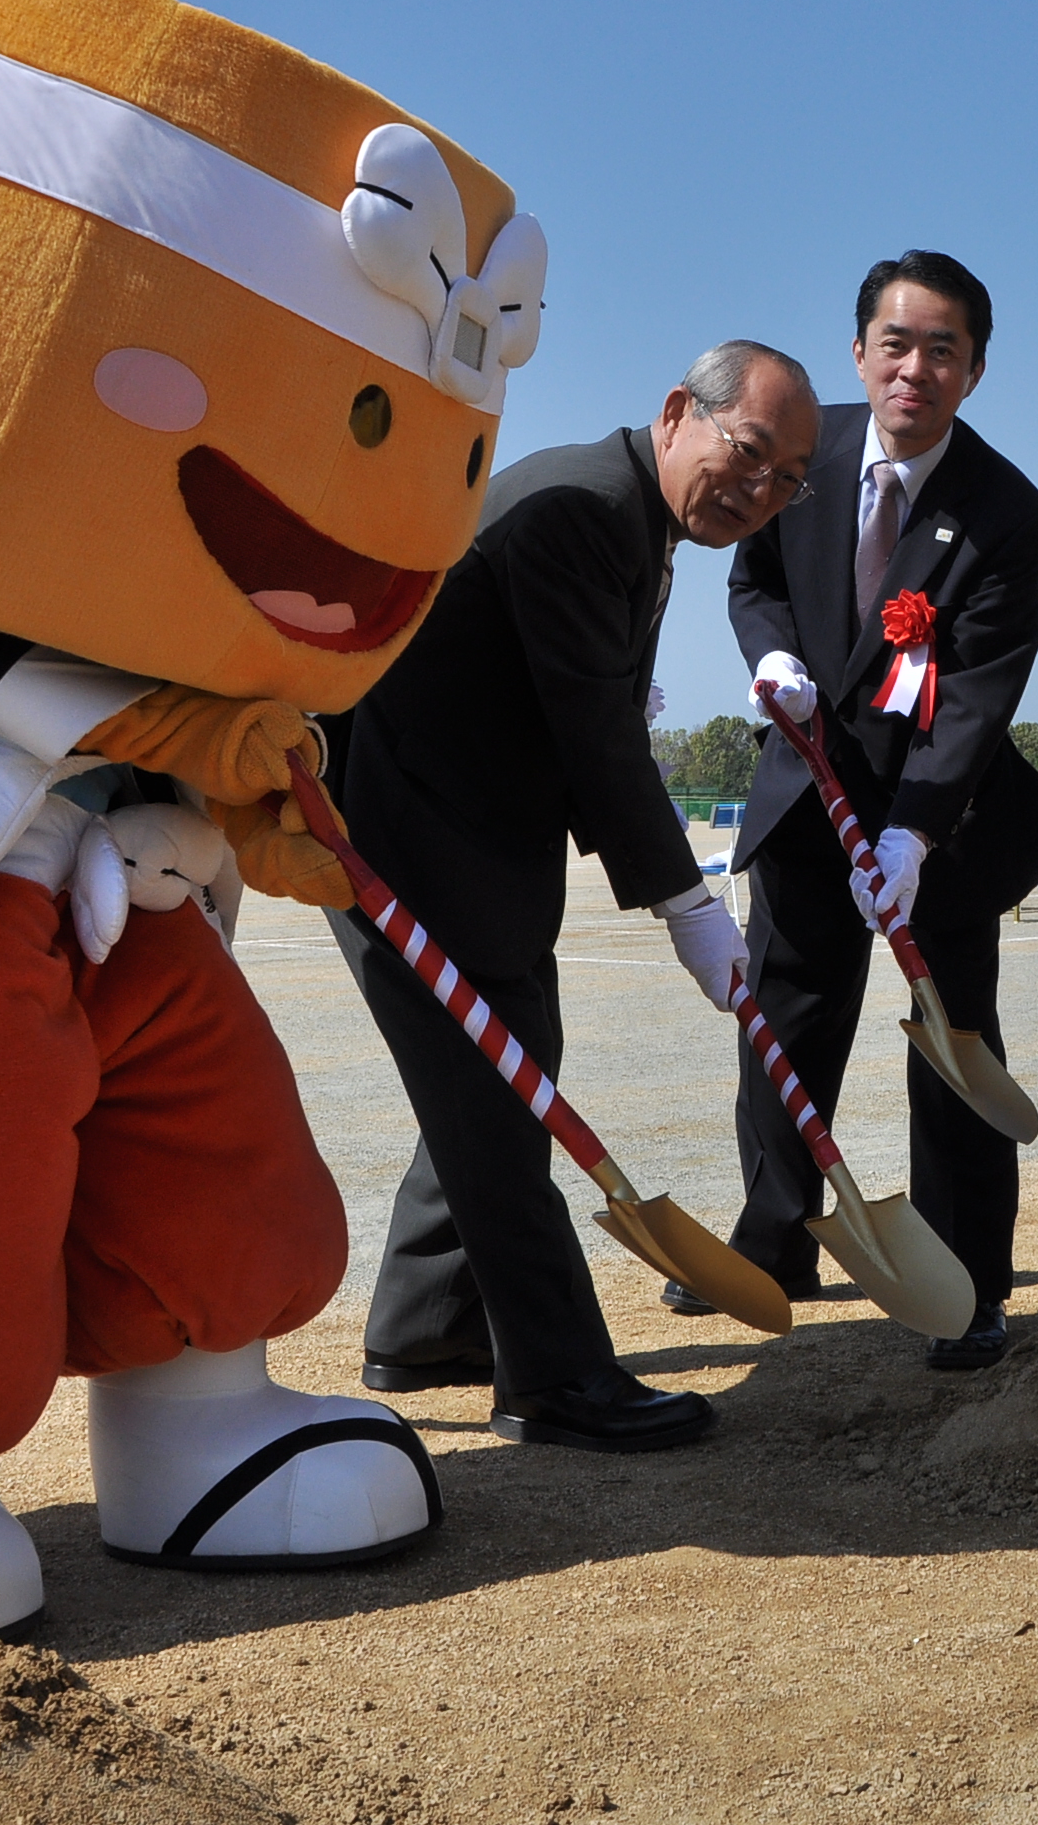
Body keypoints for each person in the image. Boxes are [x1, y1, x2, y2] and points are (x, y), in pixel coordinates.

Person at [334, 344, 822, 1450]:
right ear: (676, 414)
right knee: (504, 1096)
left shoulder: (630, 517)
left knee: (501, 1071)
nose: (761, 491)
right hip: (409, 831)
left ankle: (425, 1325)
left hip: (467, 829)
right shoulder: (585, 510)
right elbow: (600, 739)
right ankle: (554, 1379)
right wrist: (686, 901)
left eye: (789, 478)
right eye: (750, 452)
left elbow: (584, 705)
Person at [717, 252, 1038, 1368]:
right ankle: (774, 1238)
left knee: (951, 1036)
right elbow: (754, 579)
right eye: (896, 344)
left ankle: (970, 1282)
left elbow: (975, 695)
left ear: (975, 369)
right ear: (859, 350)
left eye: (943, 351)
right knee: (786, 1018)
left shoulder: (1010, 512)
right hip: (805, 788)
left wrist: (913, 832)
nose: (915, 370)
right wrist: (772, 654)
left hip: (940, 816)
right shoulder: (809, 449)